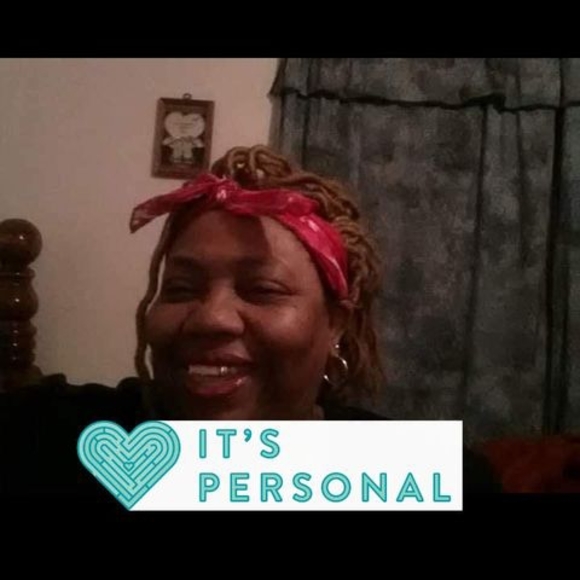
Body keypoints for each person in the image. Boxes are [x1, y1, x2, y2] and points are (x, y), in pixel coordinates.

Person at [0, 145, 501, 510]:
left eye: (262, 289)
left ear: (336, 324)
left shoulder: (435, 482)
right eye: (181, 288)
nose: (211, 317)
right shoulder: (54, 439)